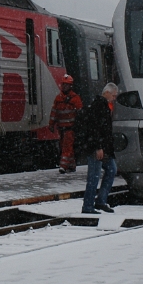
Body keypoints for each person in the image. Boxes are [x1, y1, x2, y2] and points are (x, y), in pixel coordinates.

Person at [81, 82, 119, 214]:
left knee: (111, 170)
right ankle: (88, 206)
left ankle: (100, 201)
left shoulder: (103, 106)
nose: (114, 98)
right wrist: (98, 147)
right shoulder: (99, 106)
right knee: (94, 177)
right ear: (107, 92)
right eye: (113, 95)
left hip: (103, 148)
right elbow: (94, 128)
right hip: (96, 148)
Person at [48, 74, 83, 173]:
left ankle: (63, 166)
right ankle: (71, 165)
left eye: (66, 85)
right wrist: (51, 124)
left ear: (70, 86)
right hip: (62, 129)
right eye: (63, 84)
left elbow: (80, 114)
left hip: (70, 128)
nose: (64, 87)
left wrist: (78, 126)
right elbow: (54, 113)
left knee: (66, 147)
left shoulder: (75, 99)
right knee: (66, 146)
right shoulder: (58, 99)